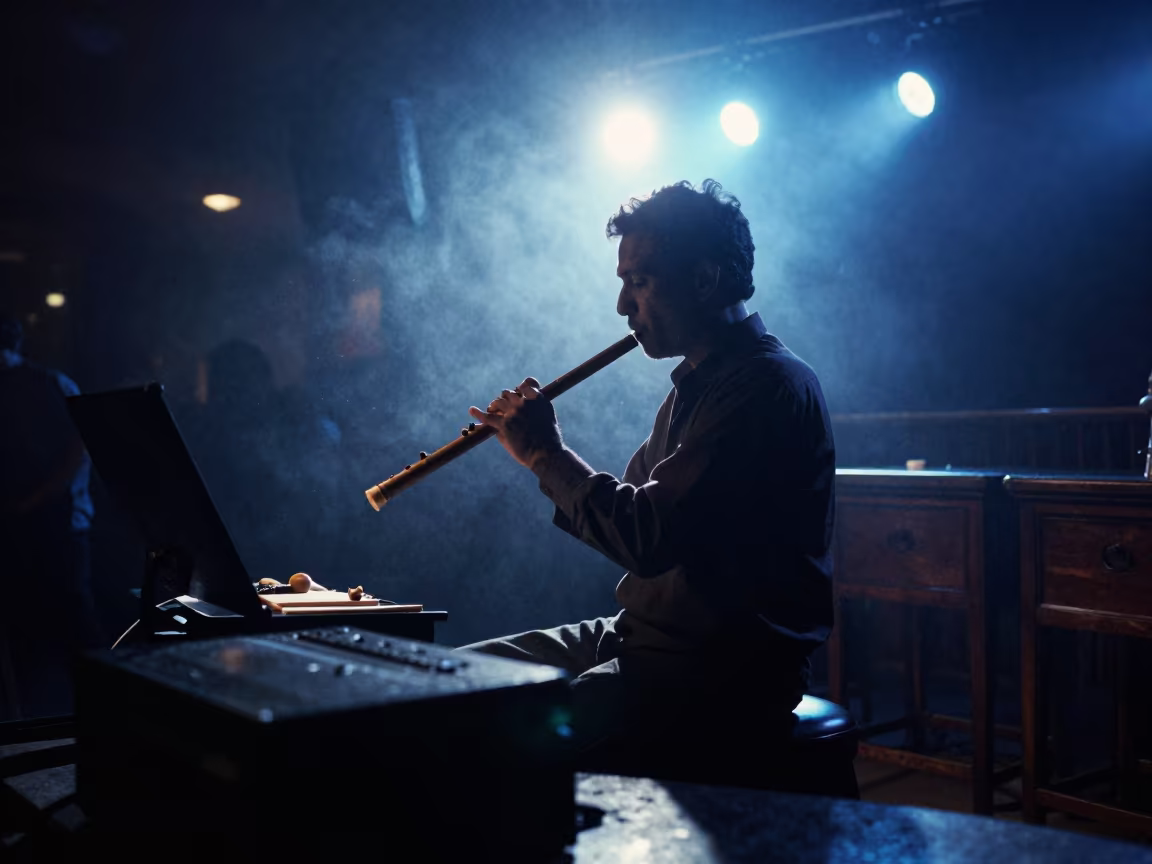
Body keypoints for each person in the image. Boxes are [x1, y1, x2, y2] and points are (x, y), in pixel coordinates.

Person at [459, 180, 836, 767]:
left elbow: (644, 537)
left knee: (498, 743)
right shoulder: (697, 386)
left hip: (720, 669)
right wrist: (542, 452)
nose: (623, 307)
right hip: (642, 638)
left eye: (639, 282)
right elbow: (629, 514)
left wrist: (544, 453)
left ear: (705, 280)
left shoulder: (767, 388)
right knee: (446, 684)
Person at [0, 313, 99, 719]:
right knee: (30, 635)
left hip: (57, 529)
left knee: (74, 628)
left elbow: (78, 449)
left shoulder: (50, 385)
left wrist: (36, 499)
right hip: (23, 528)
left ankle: (107, 716)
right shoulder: (46, 384)